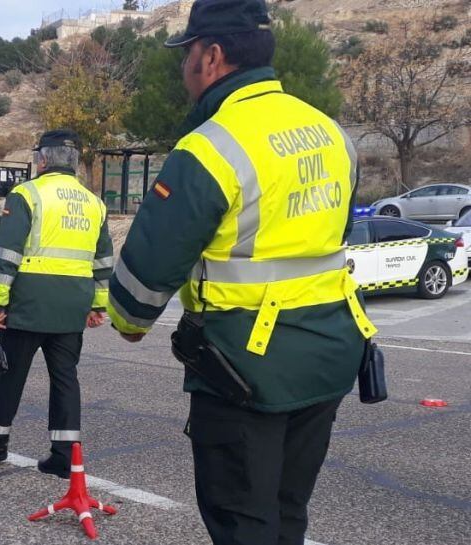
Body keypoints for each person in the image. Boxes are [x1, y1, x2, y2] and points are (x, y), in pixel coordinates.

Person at [104, 1, 376, 543]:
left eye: (186, 55)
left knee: (240, 520)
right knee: (286, 509)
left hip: (245, 369)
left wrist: (128, 321)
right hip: (330, 355)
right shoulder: (330, 133)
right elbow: (334, 233)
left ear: (213, 55)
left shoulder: (210, 146)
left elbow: (146, 275)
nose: (183, 70)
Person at [0, 129, 114, 478]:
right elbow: (103, 261)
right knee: (65, 378)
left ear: (43, 159)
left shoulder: (26, 195)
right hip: (73, 304)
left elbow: (7, 253)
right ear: (73, 161)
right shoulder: (94, 203)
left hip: (29, 303)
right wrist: (98, 306)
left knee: (11, 373)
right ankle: (63, 455)